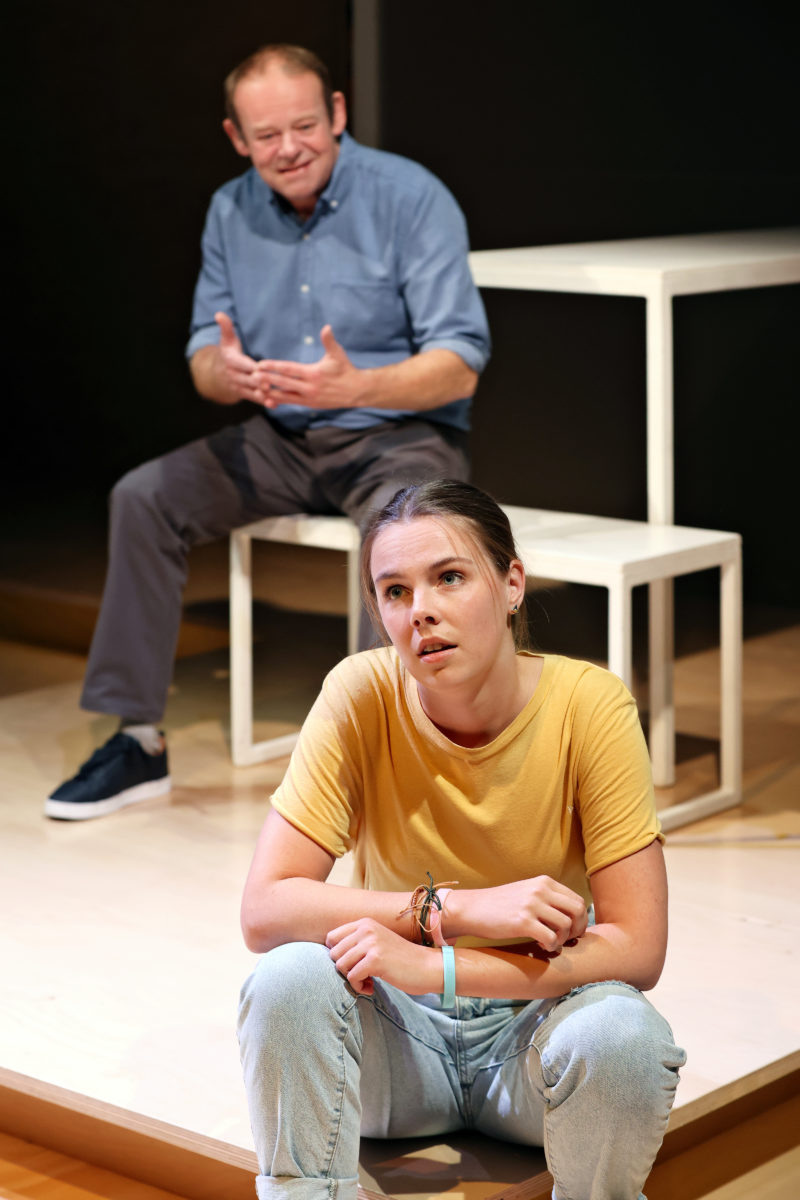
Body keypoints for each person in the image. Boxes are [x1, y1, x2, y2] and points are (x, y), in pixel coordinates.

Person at [45, 44, 490, 821]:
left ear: (338, 114)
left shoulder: (410, 196)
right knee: (143, 497)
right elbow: (202, 357)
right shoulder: (231, 209)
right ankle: (137, 741)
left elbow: (460, 365)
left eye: (305, 126)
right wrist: (227, 373)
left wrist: (360, 387)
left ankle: (385, 757)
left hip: (398, 435)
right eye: (267, 134)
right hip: (281, 439)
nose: (289, 148)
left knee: (404, 532)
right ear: (236, 137)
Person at [237, 479, 687, 1200]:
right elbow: (265, 909)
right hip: (396, 1043)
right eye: (395, 591)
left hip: (533, 1036)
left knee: (623, 1037)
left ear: (512, 584)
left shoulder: (590, 703)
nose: (421, 610)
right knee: (287, 978)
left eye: (449, 577)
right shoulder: (360, 692)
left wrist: (437, 967)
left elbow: (638, 947)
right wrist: (456, 911)